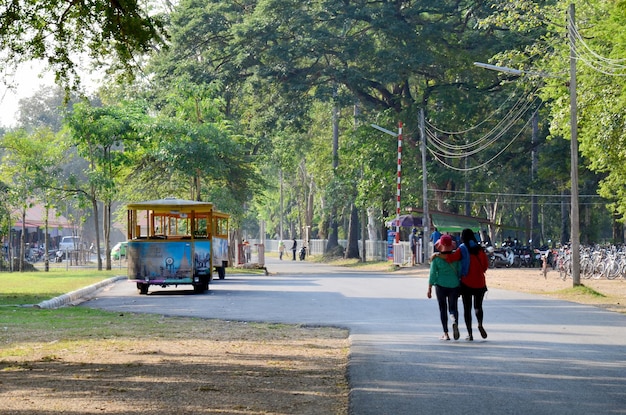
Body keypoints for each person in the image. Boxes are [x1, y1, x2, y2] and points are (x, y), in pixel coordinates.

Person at [441, 228, 489, 341]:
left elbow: (451, 258)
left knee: (467, 309)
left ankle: (470, 334)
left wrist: (439, 256)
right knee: (478, 306)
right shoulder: (479, 249)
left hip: (466, 282)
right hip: (480, 282)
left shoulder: (462, 248)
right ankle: (480, 324)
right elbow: (485, 265)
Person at [427, 234, 461, 341]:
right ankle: (454, 319)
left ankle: (446, 333)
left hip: (440, 286)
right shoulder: (456, 257)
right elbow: (460, 271)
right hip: (454, 285)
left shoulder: (436, 259)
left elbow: (432, 274)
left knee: (442, 309)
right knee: (453, 307)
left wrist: (429, 288)